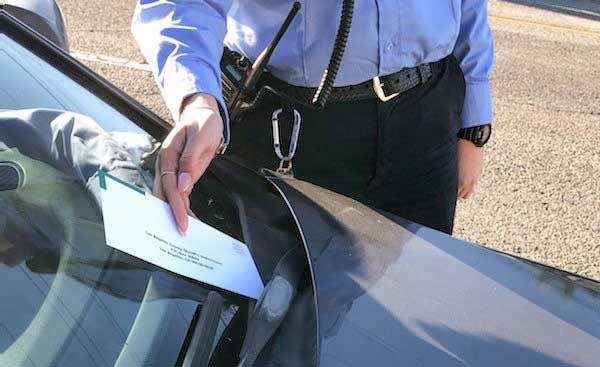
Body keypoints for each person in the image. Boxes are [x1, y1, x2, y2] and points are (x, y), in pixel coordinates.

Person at [132, 0, 494, 235]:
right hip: (290, 130)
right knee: (283, 315)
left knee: (414, 295)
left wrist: (473, 124)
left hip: (424, 114)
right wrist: (198, 99)